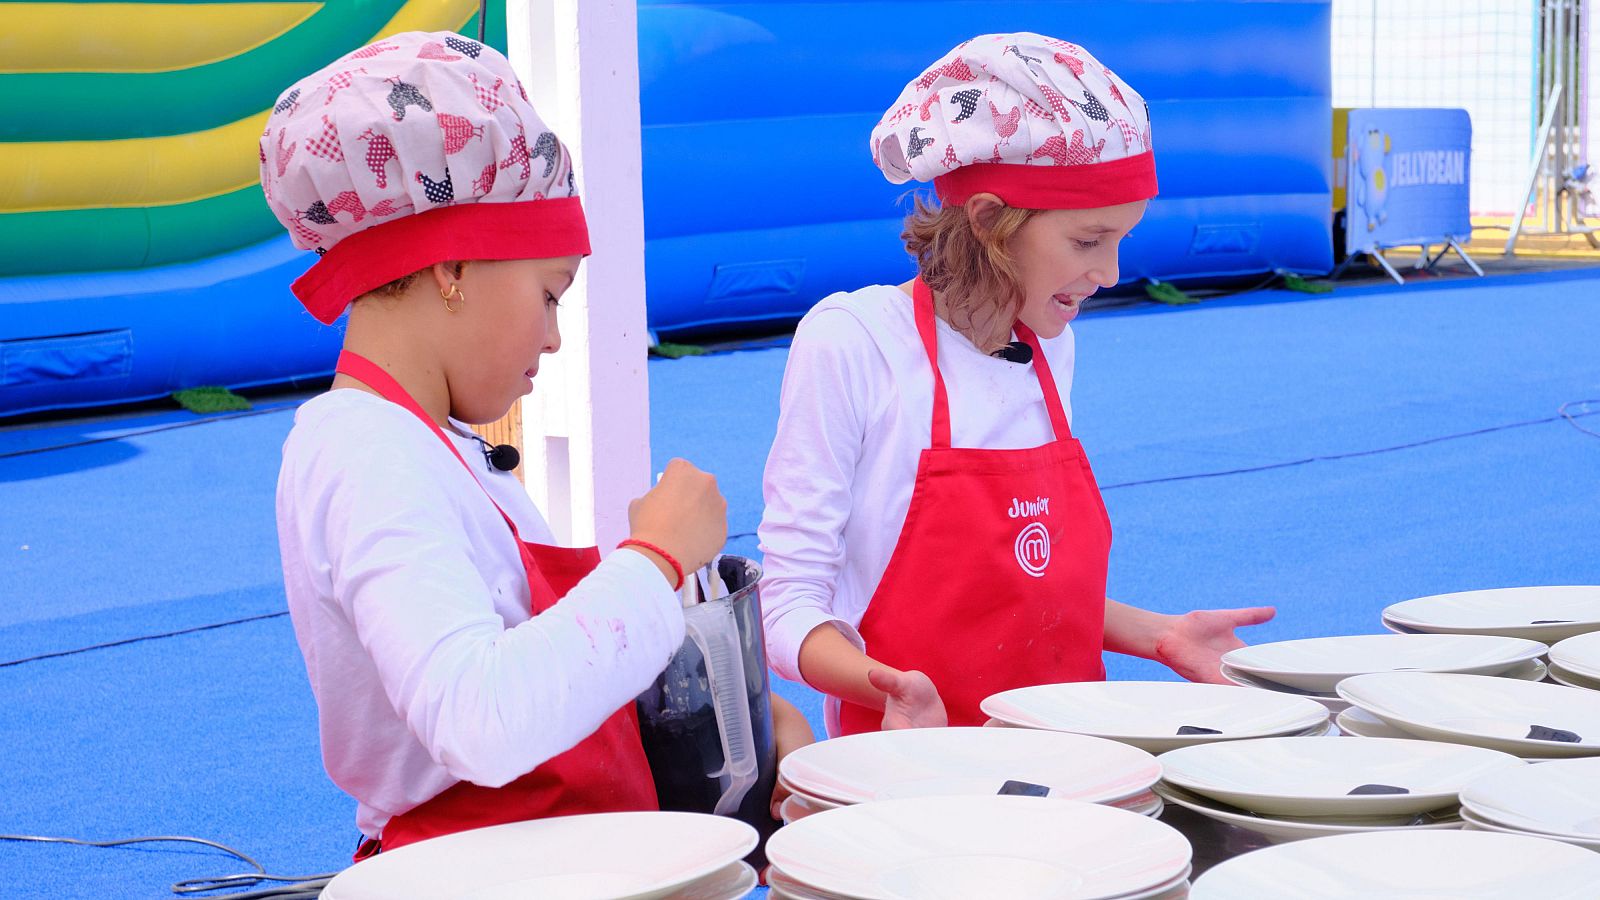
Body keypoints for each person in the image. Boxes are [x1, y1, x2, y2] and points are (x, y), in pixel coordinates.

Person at [261, 31, 808, 856]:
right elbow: (480, 719)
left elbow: (552, 690)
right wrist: (654, 561)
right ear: (452, 266)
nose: (553, 338)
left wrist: (748, 722)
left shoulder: (427, 447)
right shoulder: (364, 452)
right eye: (551, 295)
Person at [757, 33, 1275, 737]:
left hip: (1066, 763)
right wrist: (886, 686)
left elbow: (1017, 591)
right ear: (990, 222)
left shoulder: (1049, 346)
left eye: (1122, 239)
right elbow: (787, 606)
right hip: (911, 777)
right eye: (1089, 241)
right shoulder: (854, 342)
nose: (1112, 273)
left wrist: (1161, 634)